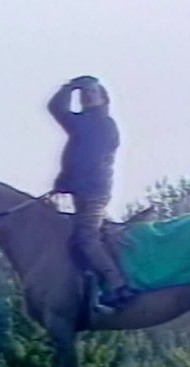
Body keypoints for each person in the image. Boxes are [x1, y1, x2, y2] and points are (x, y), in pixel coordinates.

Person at [48, 76, 136, 309]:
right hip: (84, 190)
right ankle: (90, 286)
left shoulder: (103, 126)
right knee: (81, 236)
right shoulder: (83, 123)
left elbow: (88, 161)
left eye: (92, 93)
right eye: (83, 94)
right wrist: (69, 87)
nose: (87, 97)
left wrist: (66, 182)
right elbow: (56, 108)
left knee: (86, 238)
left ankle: (117, 286)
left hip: (93, 190)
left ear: (103, 98)